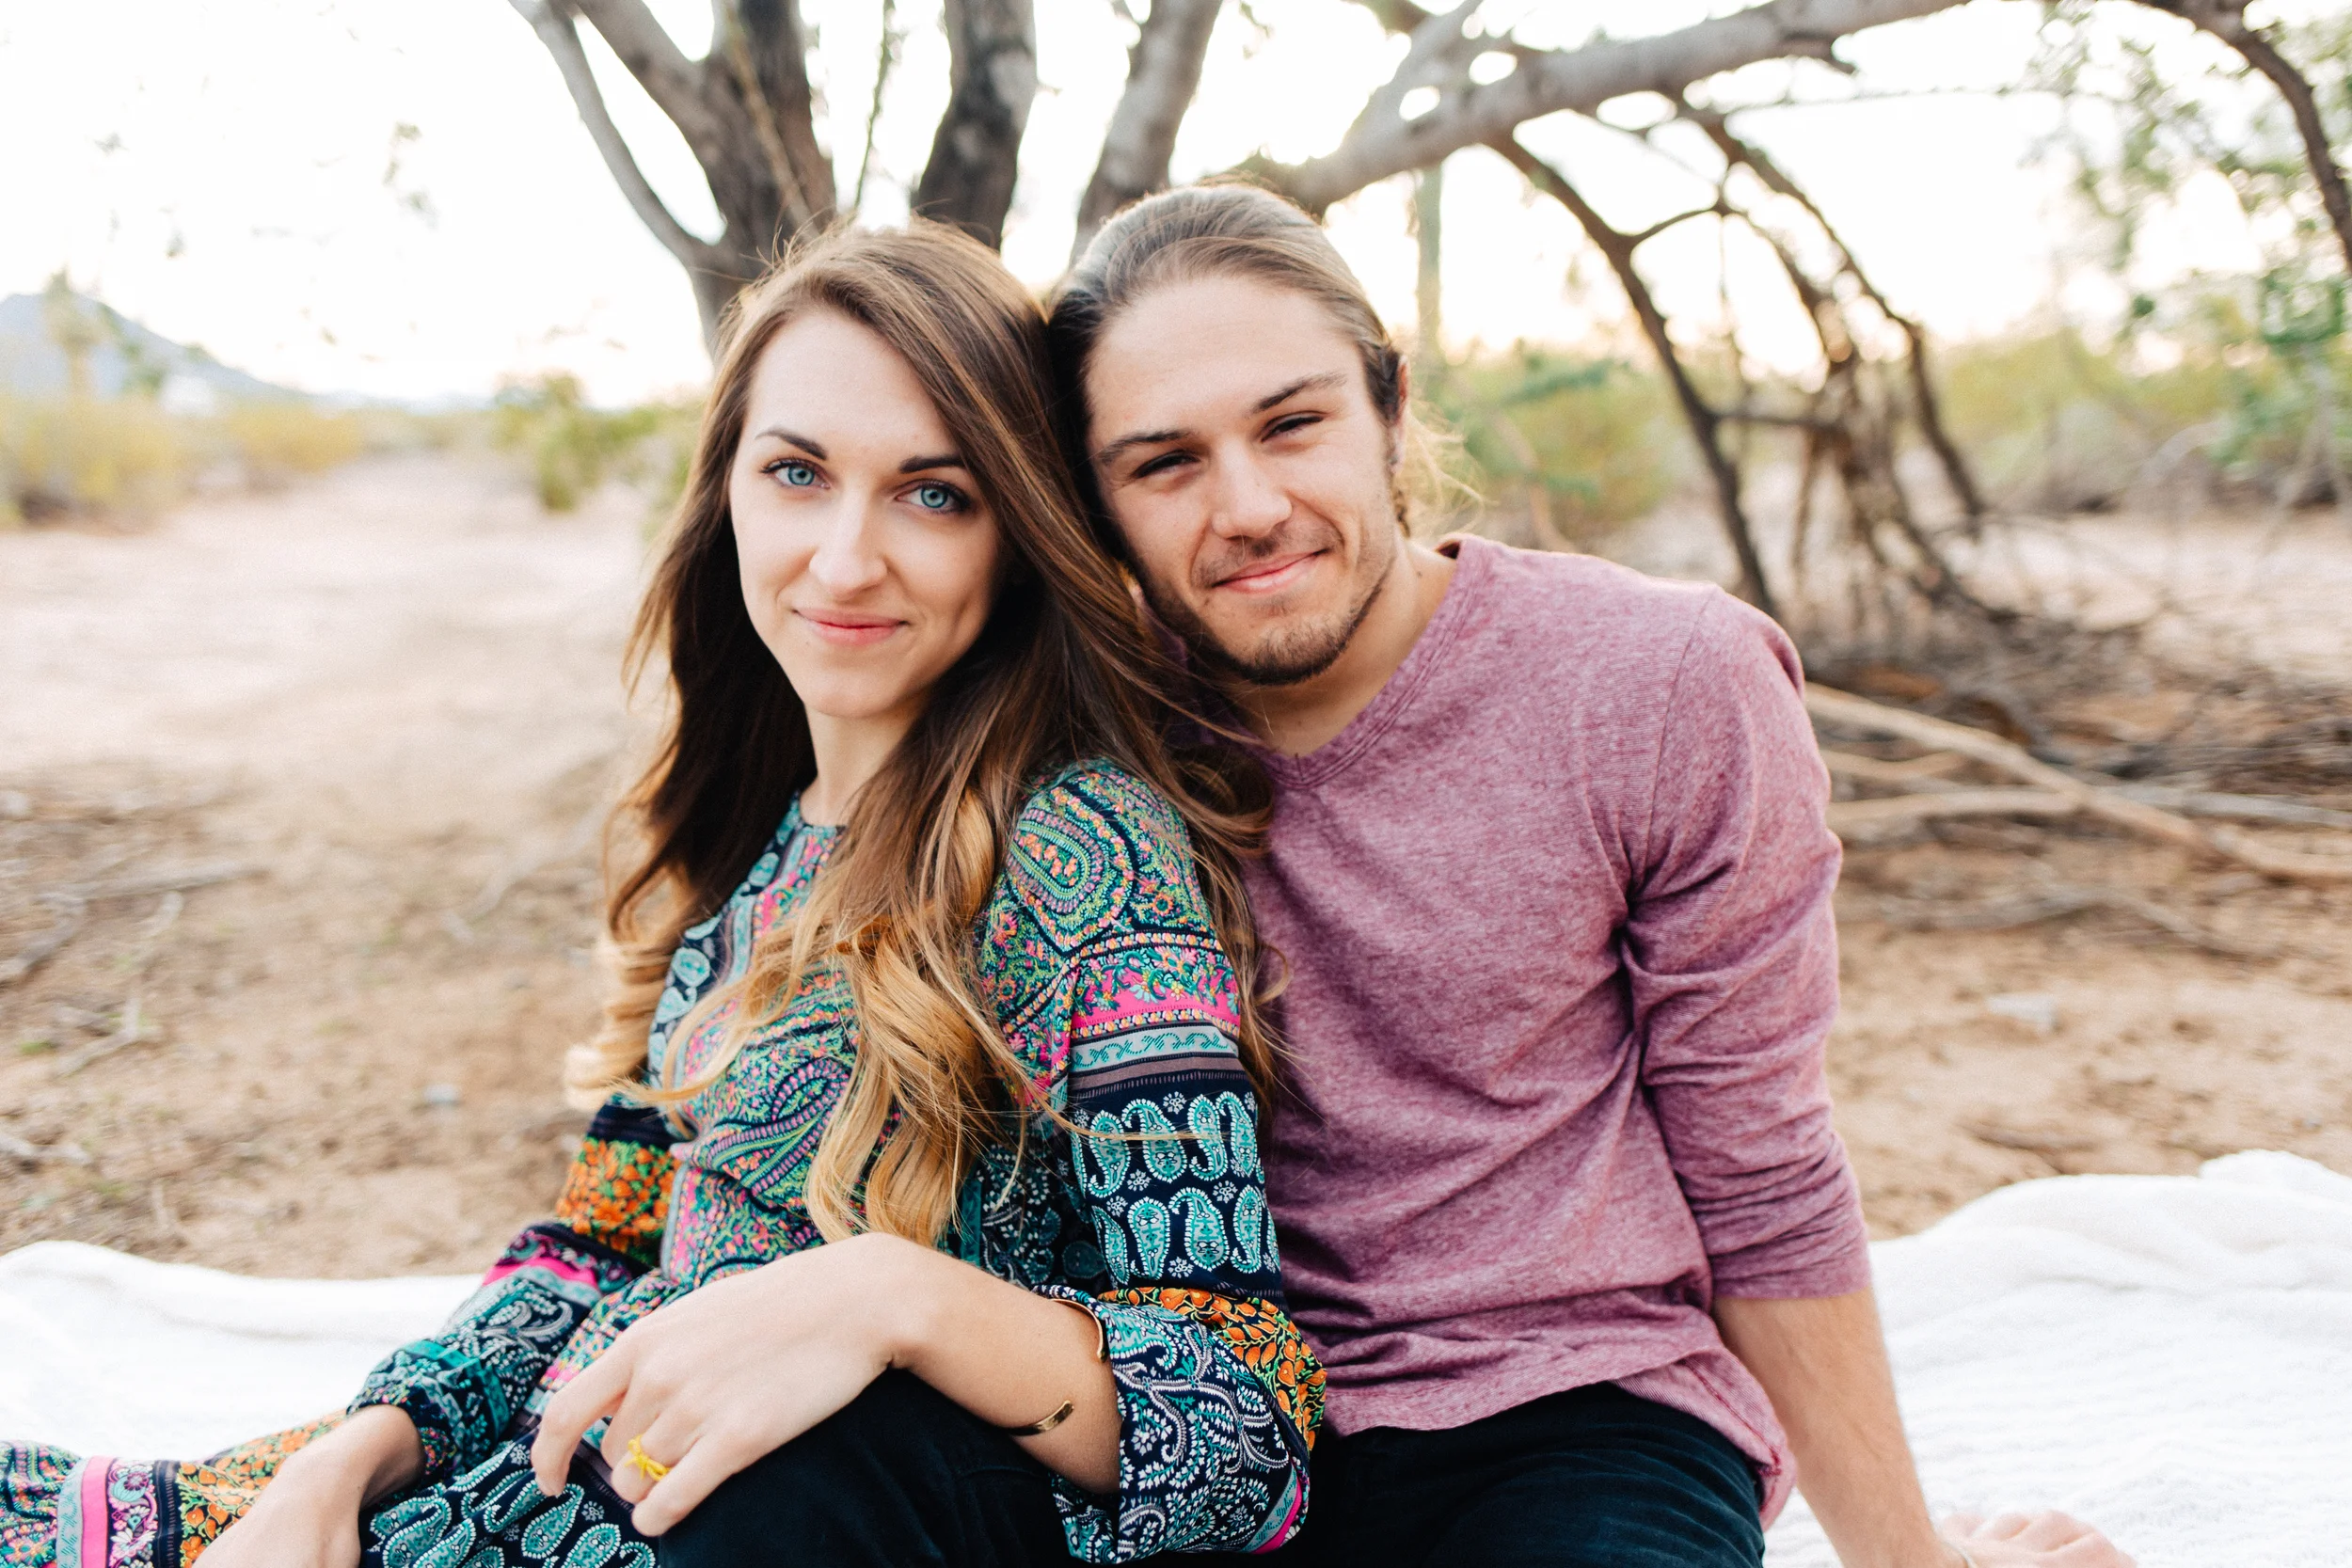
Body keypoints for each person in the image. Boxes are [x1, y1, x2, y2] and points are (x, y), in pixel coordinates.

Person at [0, 224, 1323, 1568]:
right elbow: (594, 1248)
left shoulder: (1086, 854)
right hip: (539, 1473)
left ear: (1021, 535)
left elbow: (1240, 1433)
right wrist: (355, 1451)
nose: (845, 560)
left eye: (935, 494)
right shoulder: (759, 841)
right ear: (728, 491)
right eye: (798, 473)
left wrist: (894, 1297)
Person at [1045, 183, 2134, 1568]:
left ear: (1389, 405)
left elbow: (1761, 1167)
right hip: (1210, 1426)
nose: (1249, 507)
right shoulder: (1073, 741)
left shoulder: (1660, 682)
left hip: (1583, 1403)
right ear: (1096, 507)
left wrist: (1909, 1557)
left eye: (1292, 423)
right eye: (1165, 463)